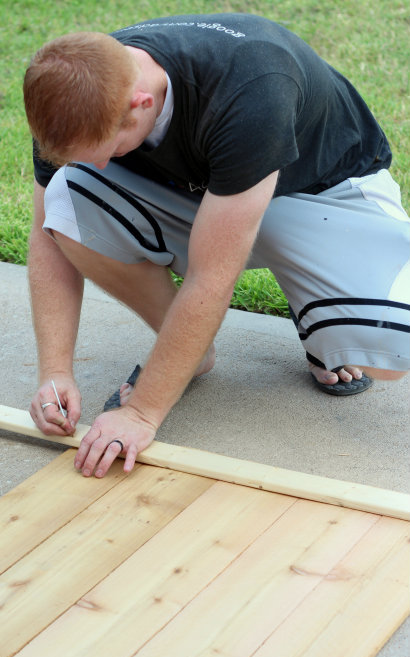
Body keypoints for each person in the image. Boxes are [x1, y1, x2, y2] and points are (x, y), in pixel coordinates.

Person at [23, 13, 410, 478]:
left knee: (392, 351)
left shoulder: (251, 87)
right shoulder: (72, 88)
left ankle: (315, 304)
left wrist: (141, 413)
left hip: (323, 195)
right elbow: (47, 235)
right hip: (209, 194)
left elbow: (212, 276)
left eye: (108, 149)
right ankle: (188, 353)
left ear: (140, 103)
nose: (100, 165)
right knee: (67, 196)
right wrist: (55, 370)